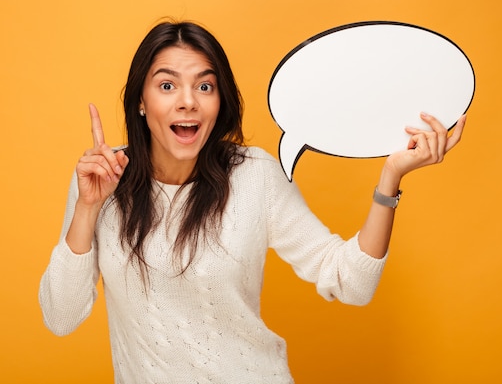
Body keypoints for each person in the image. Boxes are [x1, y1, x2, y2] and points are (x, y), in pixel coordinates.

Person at [39, 20, 466, 383]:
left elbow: (350, 282)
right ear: (140, 102)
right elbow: (61, 317)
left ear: (219, 100)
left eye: (204, 85)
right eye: (167, 85)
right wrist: (88, 208)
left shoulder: (253, 175)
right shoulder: (101, 182)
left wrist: (390, 178)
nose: (187, 100)